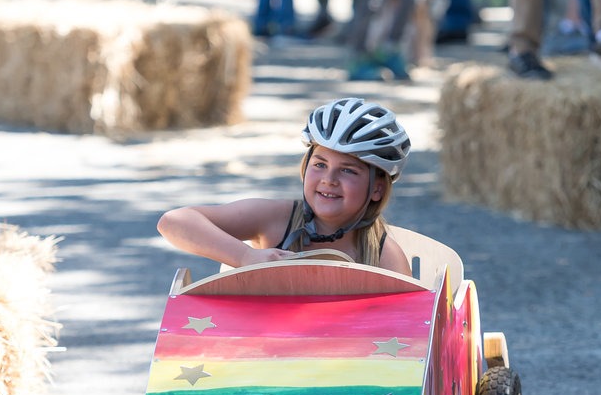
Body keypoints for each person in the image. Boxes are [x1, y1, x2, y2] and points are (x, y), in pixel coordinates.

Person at [156, 97, 413, 274]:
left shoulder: (384, 256)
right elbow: (173, 222)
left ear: (377, 189)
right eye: (320, 164)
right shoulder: (276, 219)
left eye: (347, 170)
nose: (329, 179)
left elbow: (408, 333)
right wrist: (245, 257)